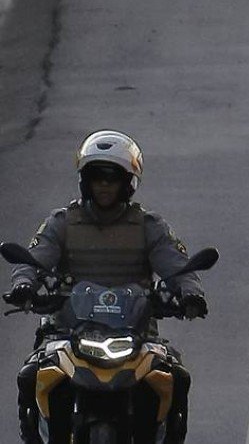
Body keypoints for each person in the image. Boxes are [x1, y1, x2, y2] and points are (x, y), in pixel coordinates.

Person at [6, 132, 207, 444]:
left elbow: (178, 266)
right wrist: (23, 285)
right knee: (31, 374)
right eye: (96, 177)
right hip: (68, 331)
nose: (104, 185)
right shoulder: (62, 222)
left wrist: (190, 293)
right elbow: (33, 259)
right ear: (85, 180)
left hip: (136, 332)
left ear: (128, 182)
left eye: (111, 179)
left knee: (175, 376)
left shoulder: (149, 225)